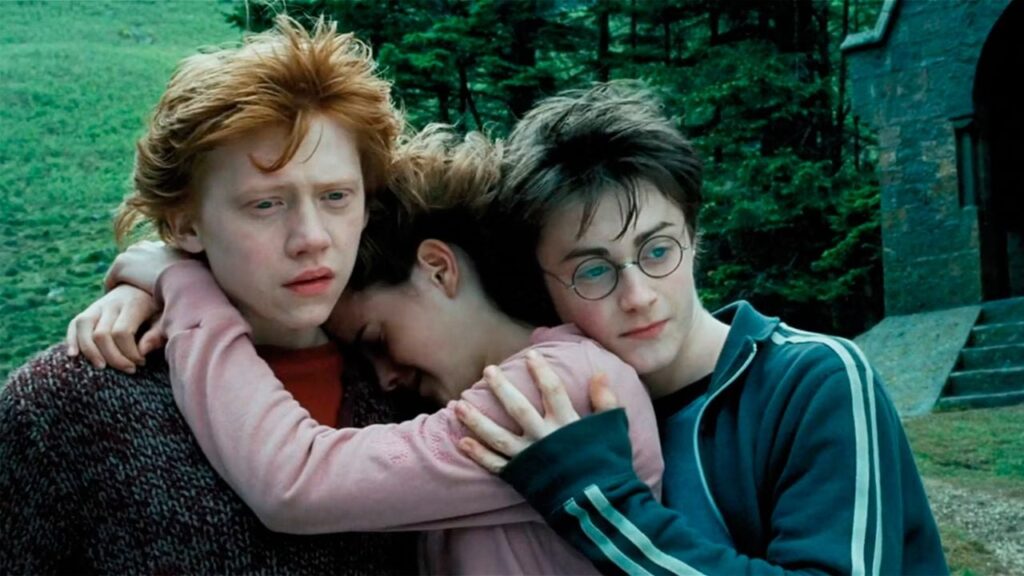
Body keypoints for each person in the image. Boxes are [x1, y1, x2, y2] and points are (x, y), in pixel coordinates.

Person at [67, 126, 663, 574]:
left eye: (376, 340)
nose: (382, 379)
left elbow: (297, 483)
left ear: (438, 268)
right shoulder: (474, 394)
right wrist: (158, 279)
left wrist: (180, 283)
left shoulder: (555, 386)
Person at [451, 82, 950, 575]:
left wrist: (593, 497)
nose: (638, 296)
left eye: (658, 250)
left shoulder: (816, 379)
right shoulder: (563, 418)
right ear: (544, 285)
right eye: (594, 271)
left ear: (694, 236)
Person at [0, 16, 419, 574]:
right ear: (184, 224)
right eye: (266, 204)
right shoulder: (66, 404)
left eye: (336, 196)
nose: (312, 238)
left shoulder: (410, 383)